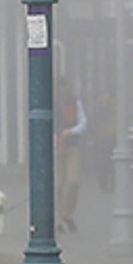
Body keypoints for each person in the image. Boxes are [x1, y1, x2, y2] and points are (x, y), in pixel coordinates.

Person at [53, 76, 86, 234]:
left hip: (71, 145)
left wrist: (72, 131)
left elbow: (83, 121)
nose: (61, 91)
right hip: (54, 148)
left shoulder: (74, 102)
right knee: (57, 185)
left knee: (74, 182)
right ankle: (57, 219)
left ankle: (67, 213)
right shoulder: (49, 103)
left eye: (63, 87)